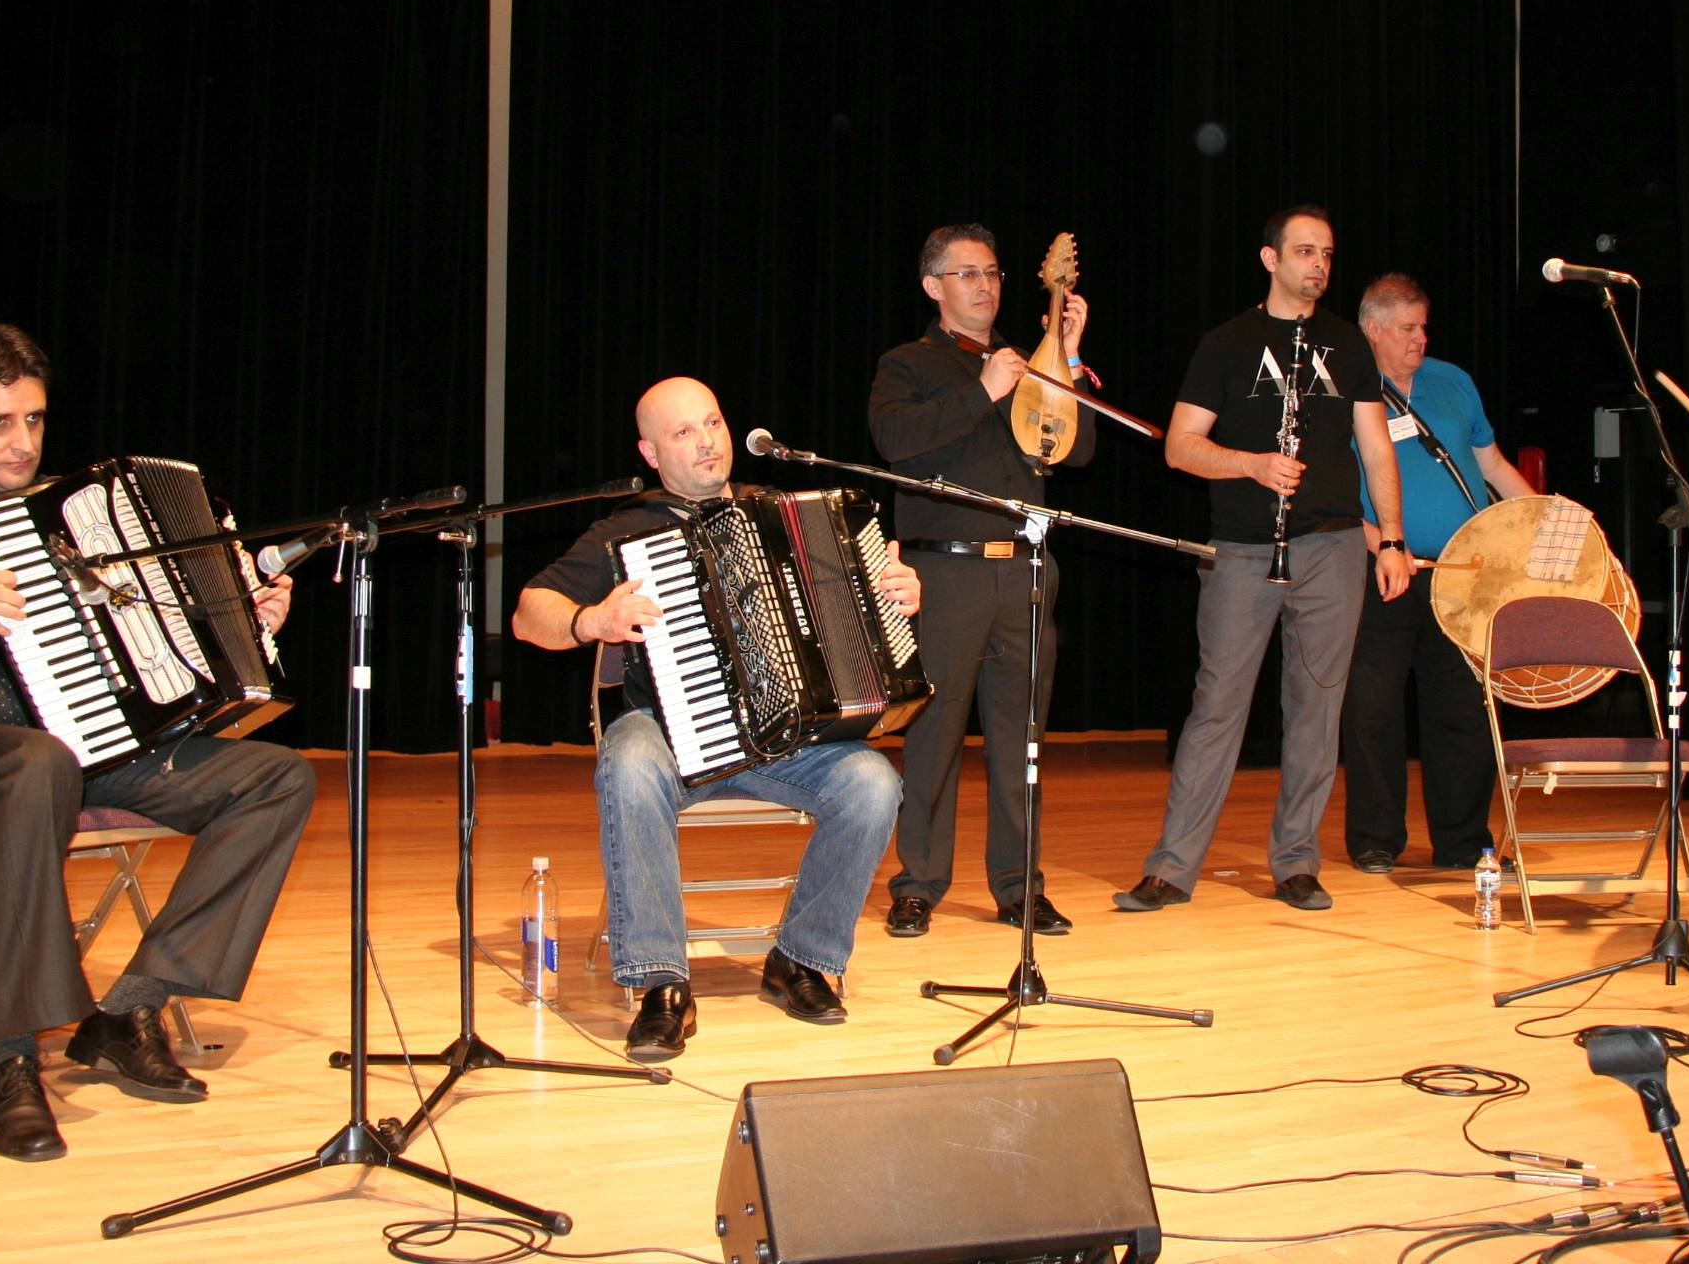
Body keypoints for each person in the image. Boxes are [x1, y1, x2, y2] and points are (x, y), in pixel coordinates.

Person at [0, 323, 315, 1162]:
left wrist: (241, 619)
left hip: (77, 750)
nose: (21, 444)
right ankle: (5, 1065)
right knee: (35, 761)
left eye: (33, 420)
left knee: (275, 779)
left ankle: (129, 1011)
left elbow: (151, 642)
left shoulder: (63, 516)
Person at [511, 376, 913, 1063]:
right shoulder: (625, 529)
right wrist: (590, 620)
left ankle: (801, 959)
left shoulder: (785, 513)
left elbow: (860, 610)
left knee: (874, 783)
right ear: (650, 453)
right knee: (627, 762)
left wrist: (896, 594)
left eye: (714, 423)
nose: (706, 442)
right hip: (667, 734)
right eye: (683, 432)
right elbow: (528, 612)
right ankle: (661, 983)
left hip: (785, 739)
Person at [1116, 205, 1412, 915]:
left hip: (1332, 546)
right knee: (1217, 707)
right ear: (1270, 259)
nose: (1319, 266)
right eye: (1305, 252)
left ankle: (1297, 863)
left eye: (1327, 254)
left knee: (1317, 709)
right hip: (1243, 550)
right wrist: (1251, 464)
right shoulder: (1226, 344)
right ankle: (1172, 868)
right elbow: (1180, 446)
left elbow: (1377, 448)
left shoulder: (1348, 343)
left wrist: (1393, 539)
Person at [867, 224, 1094, 940]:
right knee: (933, 737)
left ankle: (1020, 887)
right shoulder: (908, 364)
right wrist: (986, 388)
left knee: (1021, 741)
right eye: (967, 274)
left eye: (993, 273)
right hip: (944, 573)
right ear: (933, 287)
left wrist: (1066, 358)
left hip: (1025, 570)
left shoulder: (1029, 363)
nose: (986, 286)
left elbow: (1078, 451)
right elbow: (896, 442)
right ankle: (918, 885)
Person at [1339, 273, 1537, 873]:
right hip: (1383, 570)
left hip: (1462, 576)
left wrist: (1541, 519)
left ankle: (1463, 842)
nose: (1420, 339)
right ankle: (1375, 840)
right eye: (1407, 329)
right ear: (1373, 330)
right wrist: (1383, 546)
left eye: (1423, 327)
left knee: (1463, 711)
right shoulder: (1344, 391)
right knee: (1374, 710)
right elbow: (1332, 499)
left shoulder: (1454, 382)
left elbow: (1492, 464)